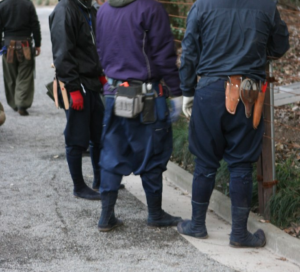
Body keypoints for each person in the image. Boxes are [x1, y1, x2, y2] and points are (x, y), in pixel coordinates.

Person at [178, 0, 289, 248]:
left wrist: (187, 90)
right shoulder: (266, 5)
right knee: (241, 163)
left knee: (205, 161)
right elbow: (281, 46)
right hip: (248, 94)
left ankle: (197, 225)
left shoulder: (202, 5)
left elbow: (189, 52)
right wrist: (256, 54)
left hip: (209, 90)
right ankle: (239, 234)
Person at [96, 0, 183, 232]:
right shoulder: (151, 9)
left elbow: (100, 51)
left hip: (114, 93)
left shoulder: (103, 10)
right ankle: (155, 214)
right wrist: (176, 91)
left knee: (112, 152)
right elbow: (165, 56)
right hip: (146, 96)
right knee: (153, 152)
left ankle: (106, 216)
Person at [49, 0, 108, 200]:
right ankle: (79, 186)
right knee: (76, 137)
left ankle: (100, 179)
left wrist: (100, 74)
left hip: (91, 81)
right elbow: (62, 53)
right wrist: (73, 89)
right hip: (76, 82)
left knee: (99, 134)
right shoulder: (65, 9)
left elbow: (94, 46)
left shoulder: (88, 8)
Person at [0, 0, 41, 116]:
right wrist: (37, 44)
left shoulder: (2, 5)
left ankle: (14, 103)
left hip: (8, 46)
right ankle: (21, 104)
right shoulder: (27, 4)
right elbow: (35, 24)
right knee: (25, 76)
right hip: (25, 45)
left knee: (10, 76)